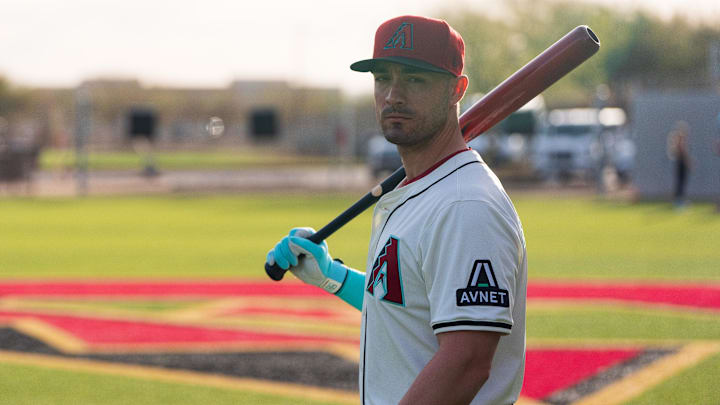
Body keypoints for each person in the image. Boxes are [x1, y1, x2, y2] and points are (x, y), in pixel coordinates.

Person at [266, 15, 527, 405]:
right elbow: (406, 309)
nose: (393, 95)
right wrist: (332, 276)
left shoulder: (465, 205)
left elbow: (467, 360)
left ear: (457, 89)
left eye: (415, 79)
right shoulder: (420, 190)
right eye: (382, 78)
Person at [666, 121, 692, 208]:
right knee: (681, 182)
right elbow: (682, 152)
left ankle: (679, 200)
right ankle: (679, 201)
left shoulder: (675, 139)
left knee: (679, 182)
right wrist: (688, 161)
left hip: (678, 161)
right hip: (681, 162)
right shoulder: (679, 139)